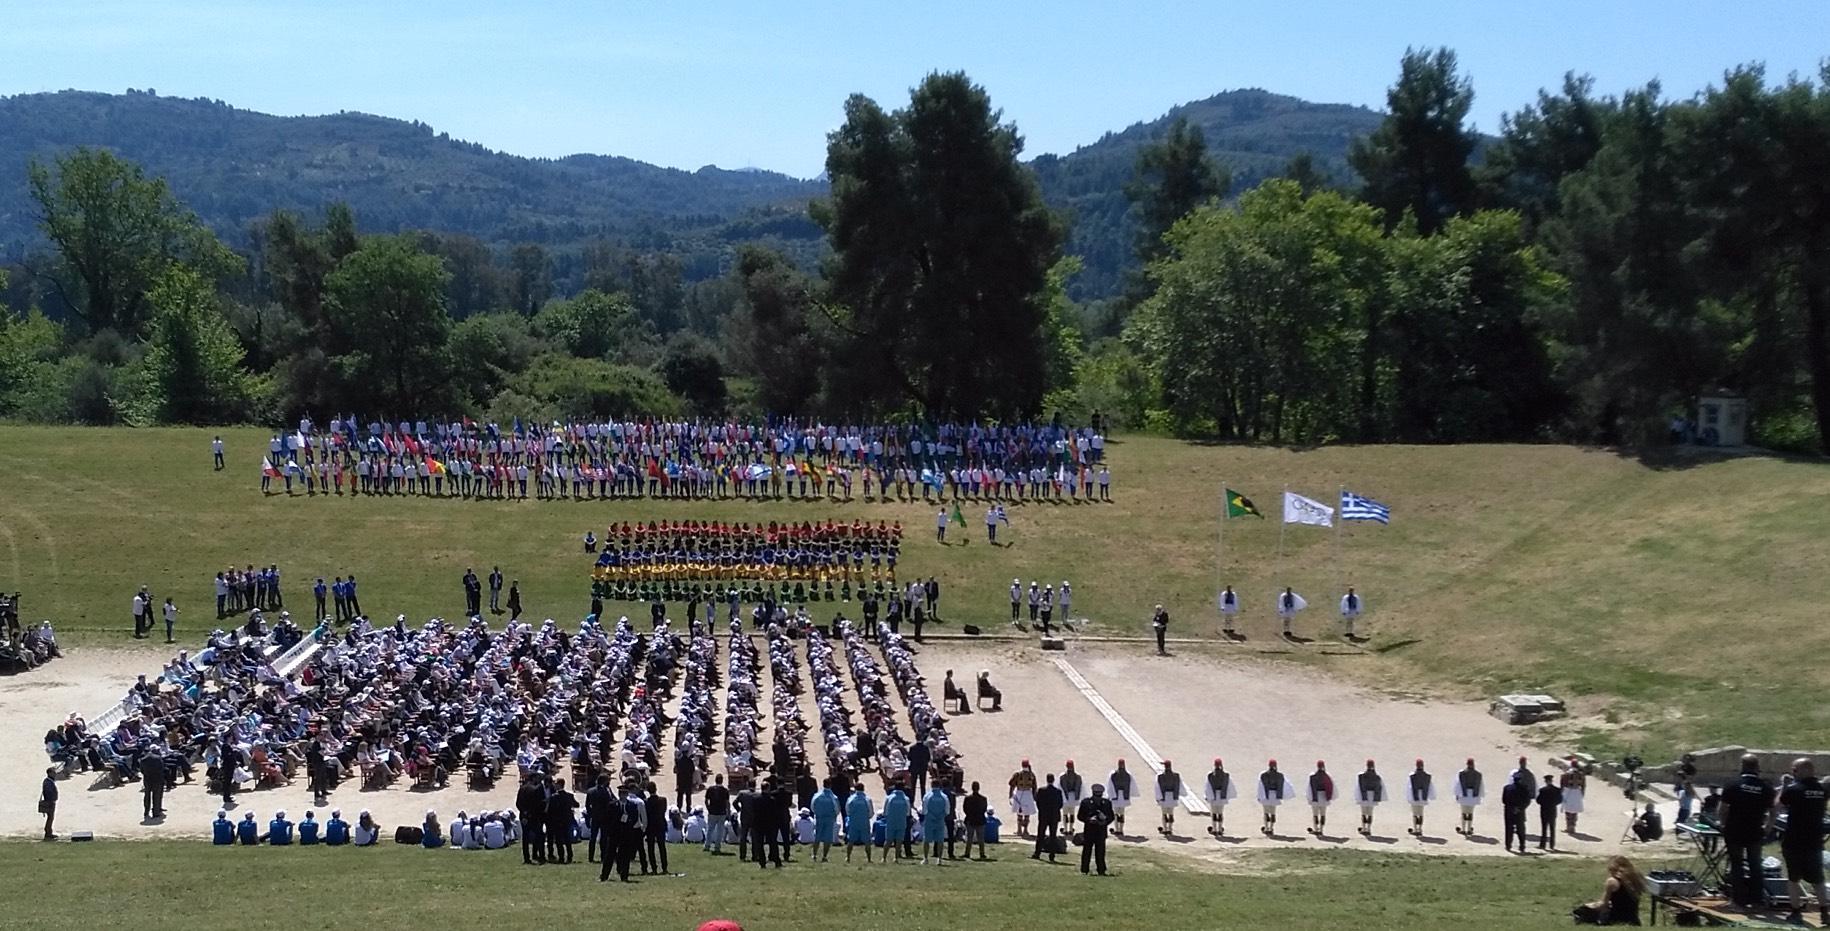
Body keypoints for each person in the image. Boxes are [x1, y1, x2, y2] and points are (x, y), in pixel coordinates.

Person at [1771, 758, 1828, 925]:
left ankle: (1796, 912)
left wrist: (1784, 786)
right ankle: (1824, 913)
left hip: (1794, 840)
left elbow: (1777, 806)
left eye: (1795, 770)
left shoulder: (1794, 789)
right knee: (1818, 879)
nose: (1793, 773)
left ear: (1802, 771)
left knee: (1793, 879)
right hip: (1815, 841)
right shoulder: (1822, 790)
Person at [1718, 753, 1776, 907]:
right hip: (1755, 831)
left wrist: (1723, 825)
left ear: (1742, 766)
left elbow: (1722, 809)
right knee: (1755, 864)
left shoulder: (1732, 784)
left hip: (1734, 830)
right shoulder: (1766, 787)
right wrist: (1768, 827)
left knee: (1736, 864)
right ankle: (1757, 900)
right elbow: (1773, 811)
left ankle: (1739, 901)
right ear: (1757, 767)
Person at [1572, 855, 1645, 926]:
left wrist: (1587, 906)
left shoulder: (1612, 881)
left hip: (1616, 918)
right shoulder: (1635, 880)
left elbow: (1603, 904)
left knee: (1581, 911)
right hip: (1633, 919)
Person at [1077, 783, 1115, 876]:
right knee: (1087, 851)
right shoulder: (1086, 802)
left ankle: (1101, 869)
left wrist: (1104, 821)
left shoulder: (1106, 803)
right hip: (1089, 830)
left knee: (1100, 852)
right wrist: (1089, 819)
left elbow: (1111, 816)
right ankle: (1084, 869)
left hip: (1101, 831)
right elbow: (1080, 816)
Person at [1257, 759, 1294, 836]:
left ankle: (1266, 828)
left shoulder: (1263, 775)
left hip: (1266, 795)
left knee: (1266, 812)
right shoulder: (1280, 775)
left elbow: (1261, 787)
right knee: (1273, 812)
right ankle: (1271, 828)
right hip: (1274, 795)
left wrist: (1259, 796)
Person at [1033, 773, 1064, 861]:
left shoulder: (1041, 790)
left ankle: (1037, 853)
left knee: (1041, 834)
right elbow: (1060, 804)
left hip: (1044, 816)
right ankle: (1052, 855)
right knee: (1053, 835)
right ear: (1053, 780)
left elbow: (1038, 802)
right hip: (1054, 816)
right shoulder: (1058, 792)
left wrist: (1042, 811)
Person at [1204, 758, 1238, 837]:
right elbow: (1229, 786)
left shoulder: (1211, 775)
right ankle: (1219, 829)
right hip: (1222, 795)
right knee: (1220, 813)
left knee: (1214, 813)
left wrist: (1208, 796)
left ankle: (1214, 829)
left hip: (1214, 795)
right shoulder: (1226, 775)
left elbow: (1208, 787)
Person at [1500, 772, 1532, 854]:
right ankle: (1522, 845)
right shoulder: (1525, 788)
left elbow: (1504, 800)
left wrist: (1511, 807)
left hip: (1509, 811)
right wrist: (1520, 808)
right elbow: (1527, 801)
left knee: (1509, 828)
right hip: (1520, 811)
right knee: (1521, 829)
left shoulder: (1507, 788)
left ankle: (1508, 844)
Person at [585, 775, 614, 863]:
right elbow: (610, 803)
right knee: (603, 838)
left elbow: (587, 805)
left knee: (592, 837)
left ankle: (590, 857)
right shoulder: (605, 791)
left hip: (594, 816)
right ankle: (603, 856)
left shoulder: (590, 791)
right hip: (604, 817)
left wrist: (591, 813)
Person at [644, 781, 669, 875]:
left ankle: (654, 868)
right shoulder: (663, 800)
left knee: (651, 848)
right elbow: (664, 811)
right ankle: (664, 867)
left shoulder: (646, 802)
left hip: (650, 826)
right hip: (660, 824)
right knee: (662, 847)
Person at [920, 783, 950, 865]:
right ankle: (939, 859)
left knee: (926, 840)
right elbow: (947, 810)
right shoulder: (944, 797)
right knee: (940, 840)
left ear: (931, 785)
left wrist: (930, 815)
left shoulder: (927, 796)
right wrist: (940, 816)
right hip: (940, 820)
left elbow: (924, 810)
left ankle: (925, 858)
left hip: (929, 820)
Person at [811, 780, 840, 862]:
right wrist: (834, 815)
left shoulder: (817, 796)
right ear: (830, 785)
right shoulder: (833, 797)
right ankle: (824, 856)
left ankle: (814, 855)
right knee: (828, 838)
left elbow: (812, 806)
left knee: (817, 837)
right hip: (829, 818)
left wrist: (817, 813)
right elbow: (837, 809)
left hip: (819, 817)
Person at [844, 785, 874, 863]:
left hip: (854, 822)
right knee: (867, 842)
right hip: (864, 822)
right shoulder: (867, 799)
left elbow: (847, 811)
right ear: (863, 789)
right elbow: (871, 812)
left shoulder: (851, 799)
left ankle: (848, 857)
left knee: (851, 841)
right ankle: (869, 859)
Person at [1406, 759, 1437, 836]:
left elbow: (1409, 787)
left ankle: (1415, 829)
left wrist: (1408, 797)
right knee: (1421, 813)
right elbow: (1430, 787)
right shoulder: (1427, 776)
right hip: (1423, 796)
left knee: (1415, 814)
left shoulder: (1412, 776)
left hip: (1414, 796)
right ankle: (1420, 829)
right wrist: (1431, 796)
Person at [1454, 758, 1483, 836]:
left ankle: (1463, 829)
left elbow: (1458, 785)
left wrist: (1457, 794)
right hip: (1473, 795)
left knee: (1463, 812)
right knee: (1470, 812)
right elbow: (1480, 786)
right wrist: (1478, 795)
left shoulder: (1462, 773)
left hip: (1464, 794)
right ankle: (1469, 829)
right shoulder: (1478, 774)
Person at [1008, 760, 1038, 837]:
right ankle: (1025, 830)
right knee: (1027, 813)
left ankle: (1019, 830)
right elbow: (1034, 786)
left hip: (1019, 793)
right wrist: (1034, 796)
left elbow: (1011, 784)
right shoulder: (1031, 775)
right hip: (1028, 794)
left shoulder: (1018, 774)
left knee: (1019, 813)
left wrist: (1010, 794)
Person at [1355, 760, 1384, 836]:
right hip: (1372, 795)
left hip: (1364, 794)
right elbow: (1379, 787)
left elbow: (1360, 786)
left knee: (1364, 813)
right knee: (1370, 813)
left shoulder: (1362, 776)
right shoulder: (1377, 777)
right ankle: (1369, 829)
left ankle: (1364, 828)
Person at [1107, 759, 1136, 835]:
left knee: (1116, 813)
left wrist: (1110, 795)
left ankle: (1117, 829)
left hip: (1116, 795)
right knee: (1122, 813)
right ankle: (1121, 829)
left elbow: (1110, 786)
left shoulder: (1114, 774)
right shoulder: (1128, 775)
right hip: (1124, 796)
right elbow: (1131, 786)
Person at [703, 773, 730, 854]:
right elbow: (727, 803)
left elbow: (706, 801)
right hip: (721, 812)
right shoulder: (725, 790)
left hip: (712, 812)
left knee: (710, 829)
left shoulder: (710, 789)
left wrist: (708, 808)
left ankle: (707, 846)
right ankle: (717, 847)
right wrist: (728, 812)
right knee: (720, 830)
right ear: (722, 780)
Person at [1535, 774, 1563, 850]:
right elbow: (1560, 800)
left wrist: (1544, 803)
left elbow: (1538, 801)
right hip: (1552, 810)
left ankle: (1543, 844)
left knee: (1544, 828)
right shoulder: (1557, 790)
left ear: (1546, 781)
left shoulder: (1542, 790)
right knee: (1552, 828)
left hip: (1544, 810)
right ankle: (1552, 844)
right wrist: (1554, 804)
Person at [1307, 760, 1335, 836]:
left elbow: (1309, 788)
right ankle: (1321, 829)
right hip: (1323, 796)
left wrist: (1310, 798)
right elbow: (1331, 786)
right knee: (1323, 814)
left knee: (1315, 814)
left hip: (1315, 796)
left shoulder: (1313, 776)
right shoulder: (1327, 776)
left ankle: (1316, 829)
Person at [1155, 760, 1183, 835]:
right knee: (1171, 813)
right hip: (1172, 796)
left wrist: (1158, 797)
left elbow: (1158, 788)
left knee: (1164, 814)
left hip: (1164, 796)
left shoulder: (1160, 776)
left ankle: (1165, 828)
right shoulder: (1176, 776)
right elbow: (1177, 786)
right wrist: (1176, 796)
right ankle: (1170, 828)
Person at [1561, 760, 1587, 835]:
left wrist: (1562, 793)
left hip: (1568, 791)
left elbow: (1563, 784)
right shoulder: (1581, 774)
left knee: (1568, 810)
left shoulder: (1566, 774)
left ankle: (1568, 826)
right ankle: (1573, 825)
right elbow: (1583, 785)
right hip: (1577, 792)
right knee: (1575, 810)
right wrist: (1582, 793)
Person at [1059, 760, 1084, 837]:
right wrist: (1077, 797)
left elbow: (1061, 787)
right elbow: (1079, 787)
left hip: (1066, 797)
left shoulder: (1063, 777)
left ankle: (1066, 829)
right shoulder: (1077, 777)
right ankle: (1071, 828)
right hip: (1073, 796)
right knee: (1072, 814)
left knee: (1065, 814)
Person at [40, 766, 58, 840]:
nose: (55, 774)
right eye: (54, 772)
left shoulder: (49, 781)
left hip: (51, 801)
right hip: (49, 802)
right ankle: (48, 833)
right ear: (49, 773)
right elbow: (48, 792)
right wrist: (51, 799)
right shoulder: (47, 781)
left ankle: (49, 832)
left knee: (51, 817)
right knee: (50, 817)